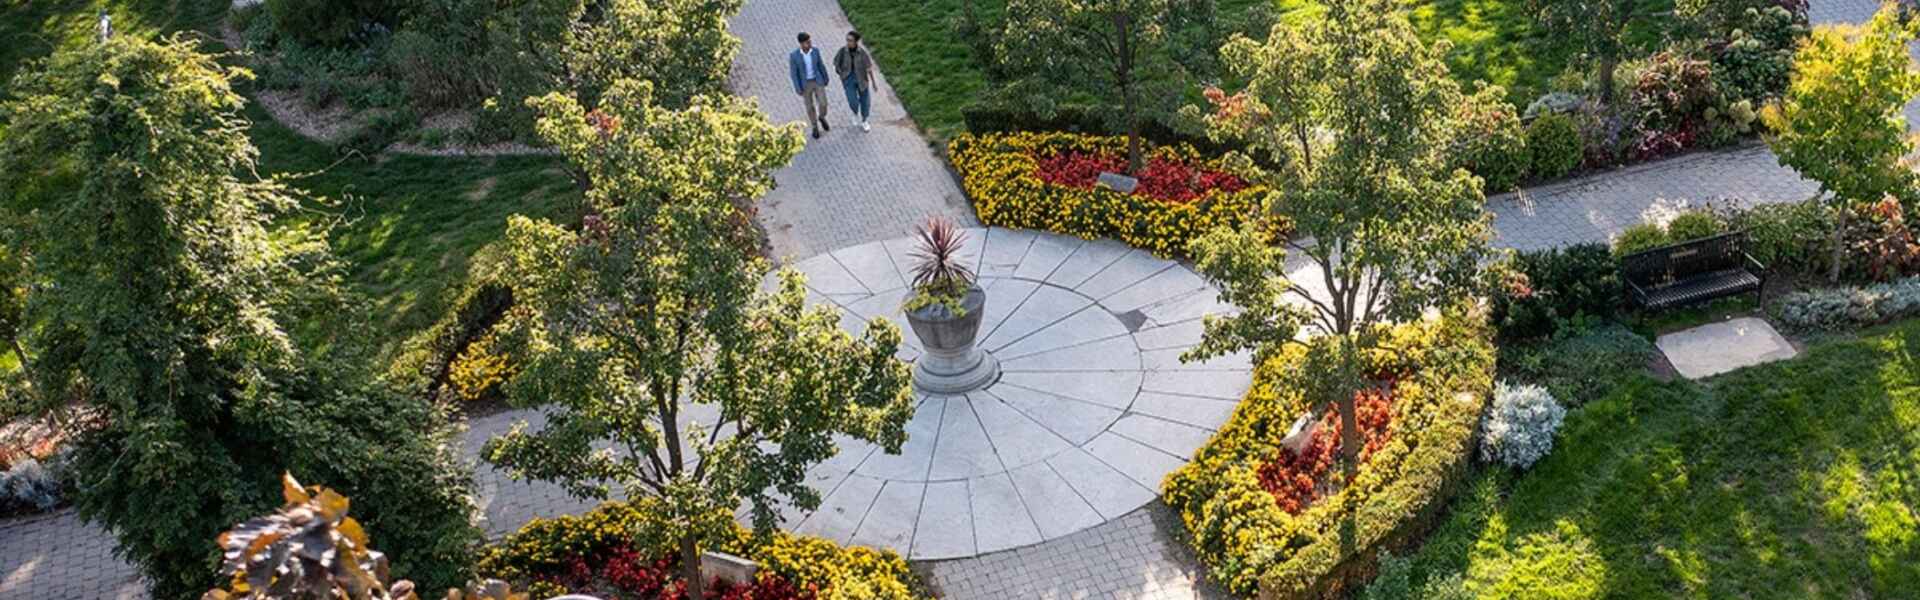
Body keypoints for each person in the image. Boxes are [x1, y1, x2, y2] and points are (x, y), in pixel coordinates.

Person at [788, 32, 832, 139]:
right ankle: (814, 126)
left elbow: (821, 65)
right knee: (809, 106)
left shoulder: (815, 51)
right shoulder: (794, 56)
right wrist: (797, 87)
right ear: (802, 44)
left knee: (823, 102)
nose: (810, 43)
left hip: (817, 81)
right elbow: (794, 73)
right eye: (807, 42)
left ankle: (821, 117)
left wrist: (825, 78)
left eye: (810, 41)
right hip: (805, 84)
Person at [834, 31, 874, 132]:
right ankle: (855, 112)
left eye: (850, 40)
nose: (848, 42)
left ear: (856, 41)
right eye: (847, 40)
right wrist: (842, 75)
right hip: (848, 79)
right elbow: (836, 63)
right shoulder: (843, 51)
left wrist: (873, 83)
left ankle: (864, 121)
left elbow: (869, 68)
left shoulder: (862, 53)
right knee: (853, 101)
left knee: (865, 102)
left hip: (862, 79)